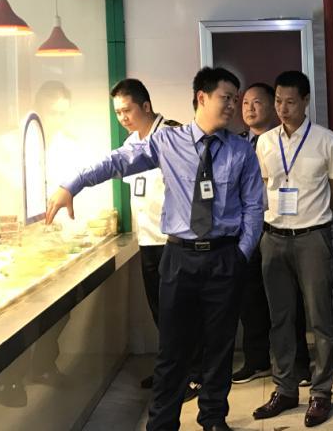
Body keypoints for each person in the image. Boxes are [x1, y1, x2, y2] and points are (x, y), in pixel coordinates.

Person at [46, 67, 264, 431]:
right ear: (202, 98)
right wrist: (73, 184)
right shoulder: (168, 142)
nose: (233, 106)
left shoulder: (241, 150)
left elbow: (254, 207)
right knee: (172, 348)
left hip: (224, 258)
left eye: (235, 99)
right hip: (179, 258)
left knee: (220, 346)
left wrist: (241, 254)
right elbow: (117, 161)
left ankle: (213, 418)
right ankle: (162, 423)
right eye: (226, 98)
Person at [253, 71, 333, 428]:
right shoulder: (265, 142)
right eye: (278, 101)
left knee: (320, 318)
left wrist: (316, 219)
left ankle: (321, 393)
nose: (283, 108)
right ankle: (285, 388)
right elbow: (265, 185)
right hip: (273, 237)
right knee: (280, 317)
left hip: (312, 238)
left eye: (290, 101)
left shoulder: (326, 140)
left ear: (306, 100)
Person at [235, 82, 312, 385]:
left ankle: (298, 363)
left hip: (279, 228)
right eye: (245, 103)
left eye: (257, 103)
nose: (249, 109)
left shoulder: (286, 142)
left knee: (288, 301)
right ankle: (257, 361)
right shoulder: (235, 143)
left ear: (273, 106)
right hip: (244, 231)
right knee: (249, 298)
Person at [110, 79, 185, 390]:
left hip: (173, 242)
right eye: (118, 112)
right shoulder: (130, 145)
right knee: (161, 313)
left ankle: (189, 376)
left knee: (180, 313)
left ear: (146, 106)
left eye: (127, 110)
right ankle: (171, 373)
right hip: (148, 241)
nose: (123, 117)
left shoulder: (172, 135)